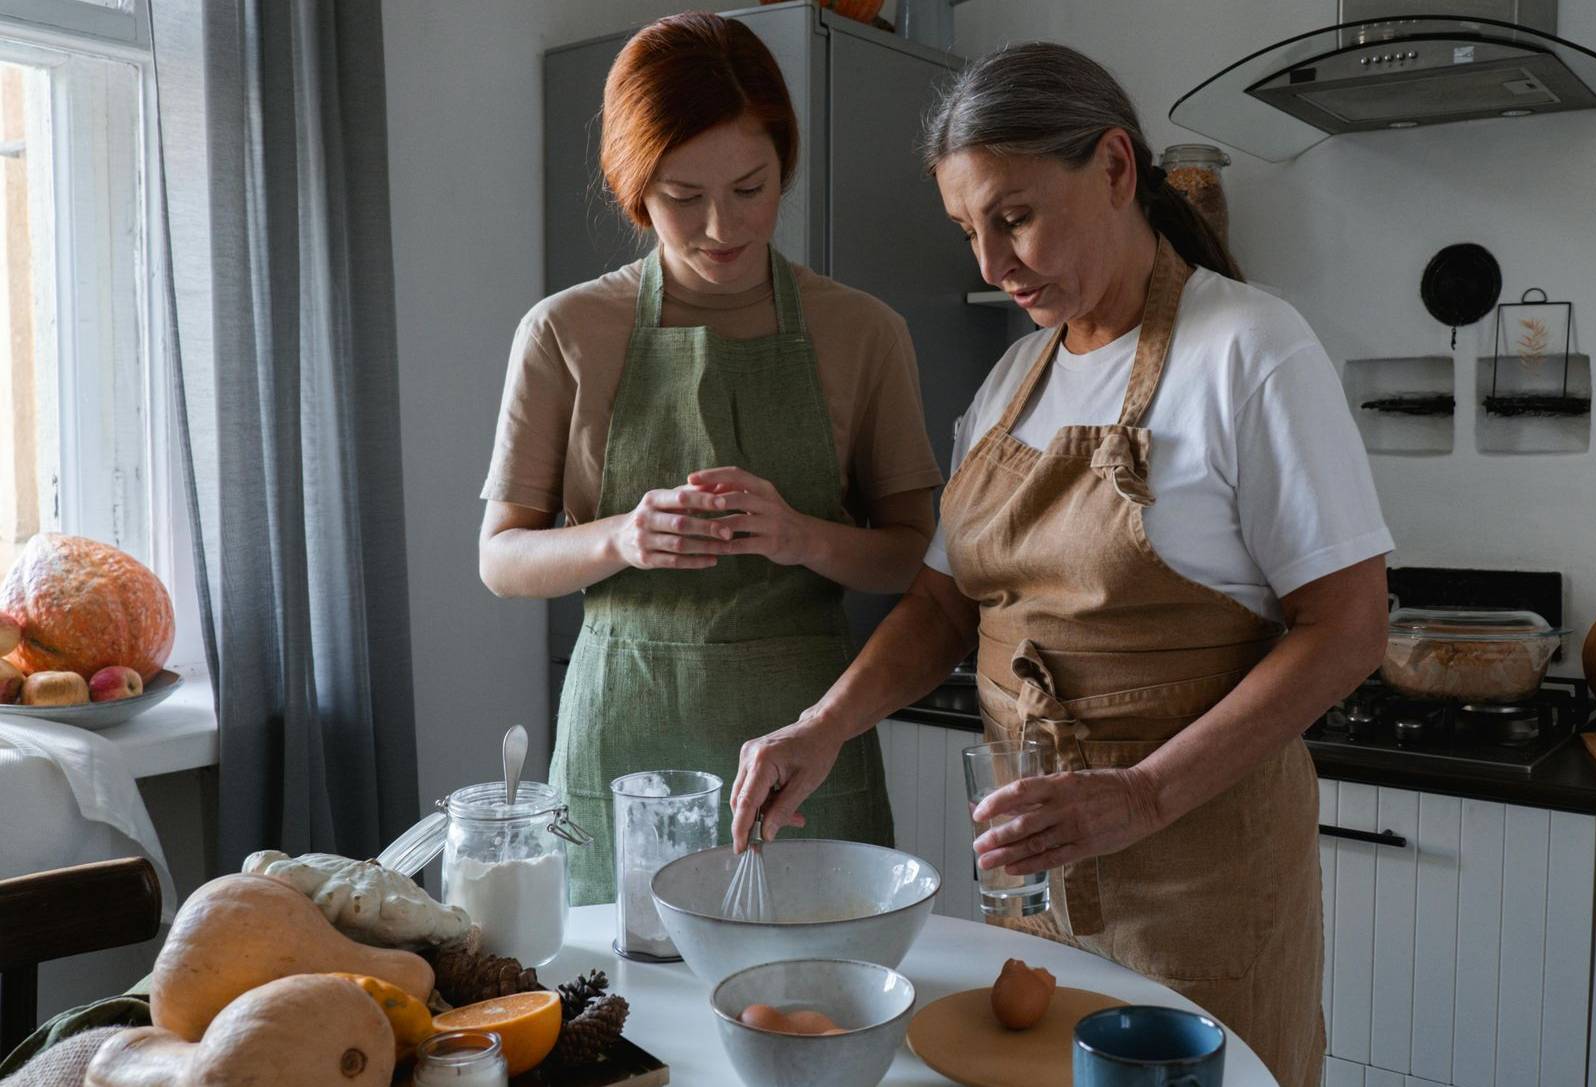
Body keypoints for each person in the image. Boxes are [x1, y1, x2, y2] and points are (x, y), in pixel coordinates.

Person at [728, 42, 1393, 1086]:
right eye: (969, 230)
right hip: (1036, 885)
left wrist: (1139, 796)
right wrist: (827, 723)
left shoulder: (1252, 349)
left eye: (1016, 214)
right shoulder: (1011, 382)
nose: (992, 264)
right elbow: (944, 604)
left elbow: (1350, 626)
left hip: (1201, 886)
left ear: (1117, 169)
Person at [478, 12, 943, 905]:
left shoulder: (863, 331)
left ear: (785, 168)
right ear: (633, 186)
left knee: (815, 1007)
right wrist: (623, 537)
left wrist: (801, 535)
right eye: (682, 197)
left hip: (806, 748)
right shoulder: (565, 332)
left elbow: (910, 555)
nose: (722, 226)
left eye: (751, 187)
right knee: (626, 1025)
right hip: (622, 745)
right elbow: (501, 557)